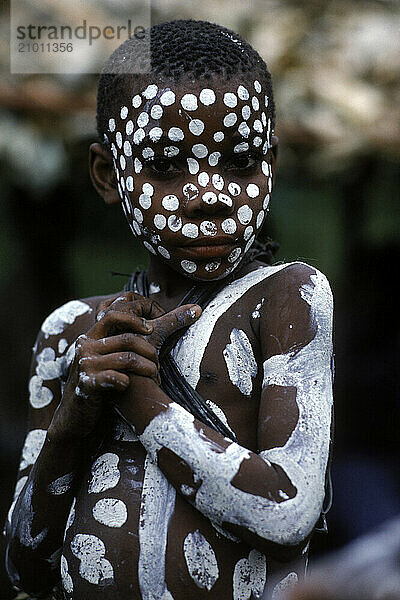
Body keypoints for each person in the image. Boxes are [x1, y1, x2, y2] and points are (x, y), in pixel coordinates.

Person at [5, 19, 334, 600]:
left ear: (272, 165)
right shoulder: (70, 334)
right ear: (109, 174)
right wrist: (74, 417)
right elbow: (24, 566)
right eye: (165, 167)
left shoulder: (287, 299)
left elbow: (288, 516)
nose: (209, 195)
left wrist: (143, 401)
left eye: (239, 164)